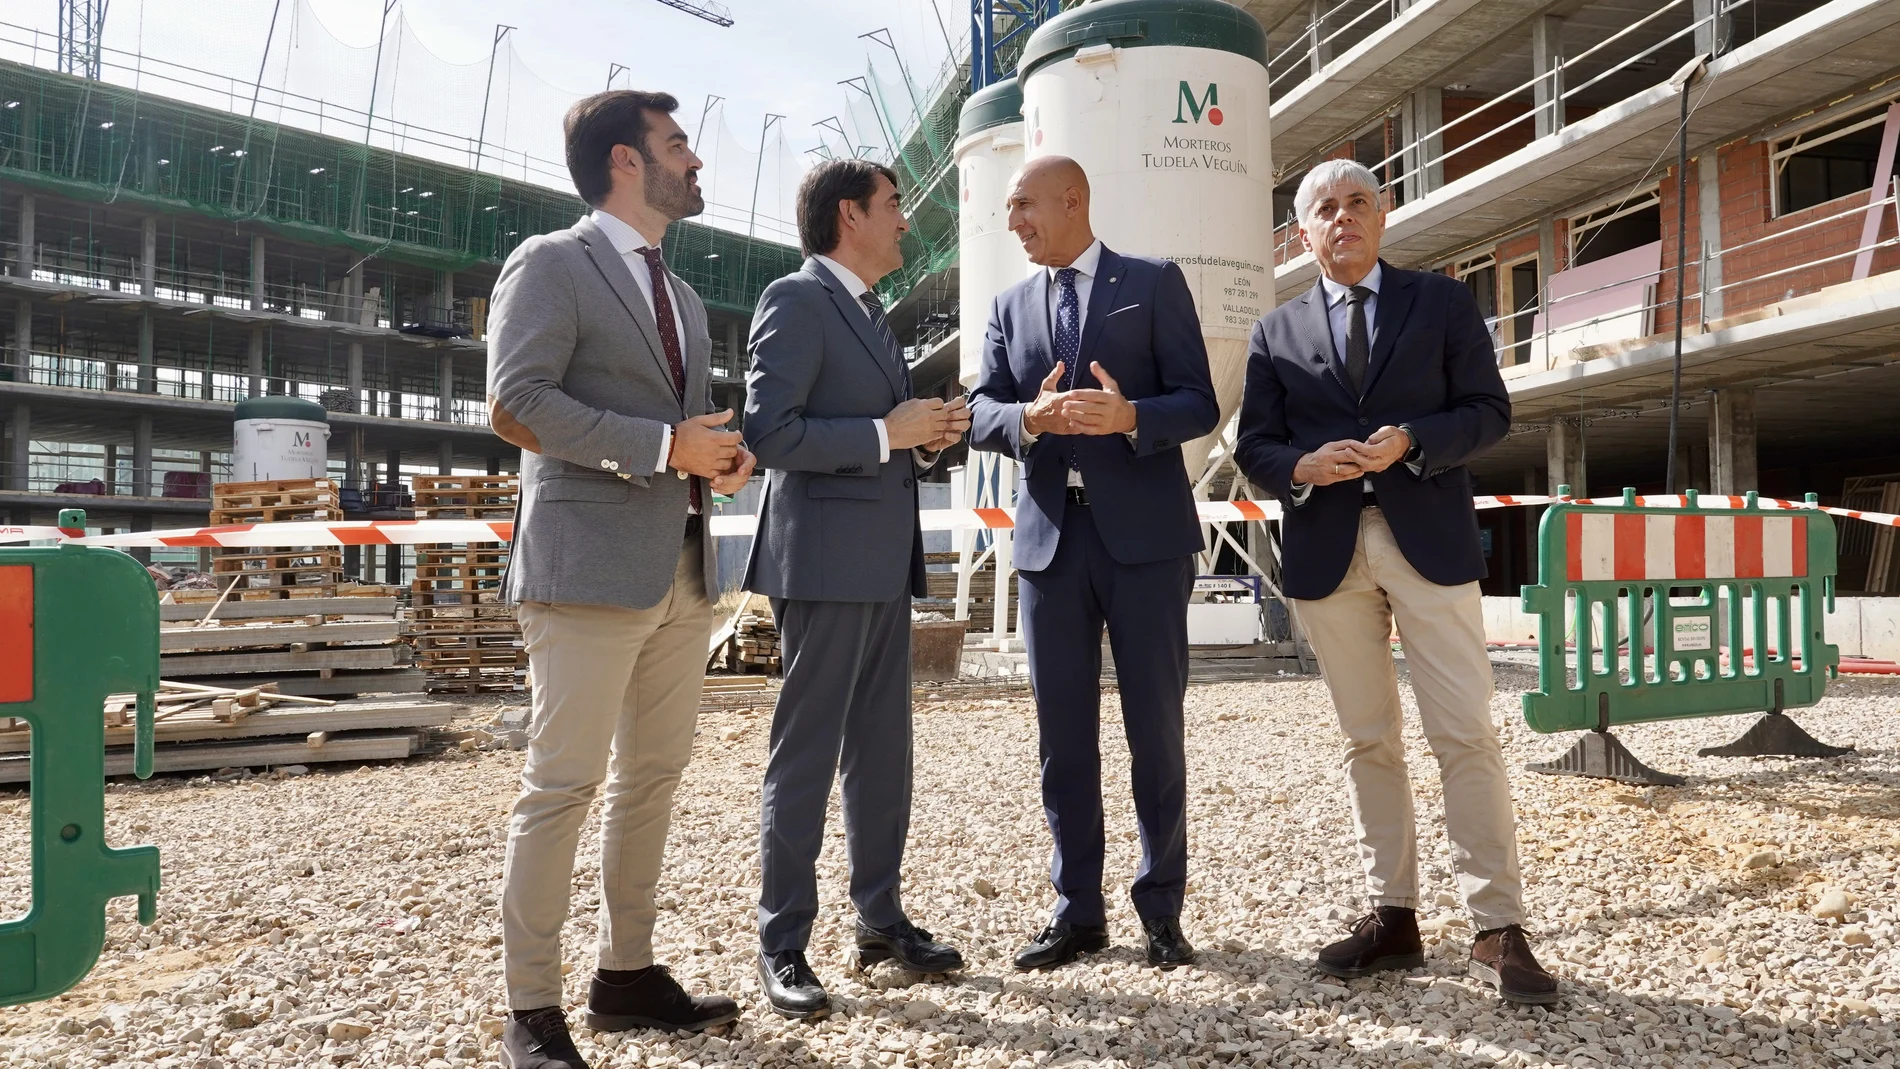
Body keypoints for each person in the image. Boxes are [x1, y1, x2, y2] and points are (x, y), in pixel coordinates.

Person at [1233, 158, 1558, 1004]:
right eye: (1324, 209)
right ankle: (1395, 915)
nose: (1342, 218)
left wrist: (1410, 438)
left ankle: (1498, 923)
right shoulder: (1275, 333)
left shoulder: (1443, 303)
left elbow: (1488, 410)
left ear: (1382, 217)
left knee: (1465, 731)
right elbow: (1254, 445)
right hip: (1326, 552)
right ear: (1300, 234)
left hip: (1428, 541)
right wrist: (1301, 464)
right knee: (1367, 737)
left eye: (1357, 204)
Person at [486, 89, 755, 1069]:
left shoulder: (679, 295)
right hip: (587, 569)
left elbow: (682, 430)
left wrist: (720, 453)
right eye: (677, 145)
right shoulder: (552, 263)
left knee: (652, 780)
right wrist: (658, 443)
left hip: (680, 567)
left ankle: (626, 976)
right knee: (560, 787)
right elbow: (515, 404)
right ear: (626, 162)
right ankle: (530, 1008)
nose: (694, 161)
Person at [967, 156, 1218, 972]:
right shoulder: (1009, 306)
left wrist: (1131, 414)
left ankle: (1161, 908)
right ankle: (1079, 911)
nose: (1014, 223)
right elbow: (980, 411)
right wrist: (1028, 418)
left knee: (1156, 729)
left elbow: (1200, 400)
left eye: (1023, 206)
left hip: (1145, 544)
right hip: (1049, 546)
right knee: (1062, 740)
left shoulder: (1153, 281)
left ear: (1072, 199)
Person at [741, 158, 971, 1019]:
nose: (906, 220)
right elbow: (770, 430)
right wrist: (886, 429)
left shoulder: (873, 313)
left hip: (878, 561)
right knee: (805, 756)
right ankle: (782, 941)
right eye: (894, 205)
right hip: (825, 561)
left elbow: (875, 433)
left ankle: (879, 919)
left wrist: (922, 439)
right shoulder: (796, 300)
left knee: (883, 754)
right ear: (850, 215)